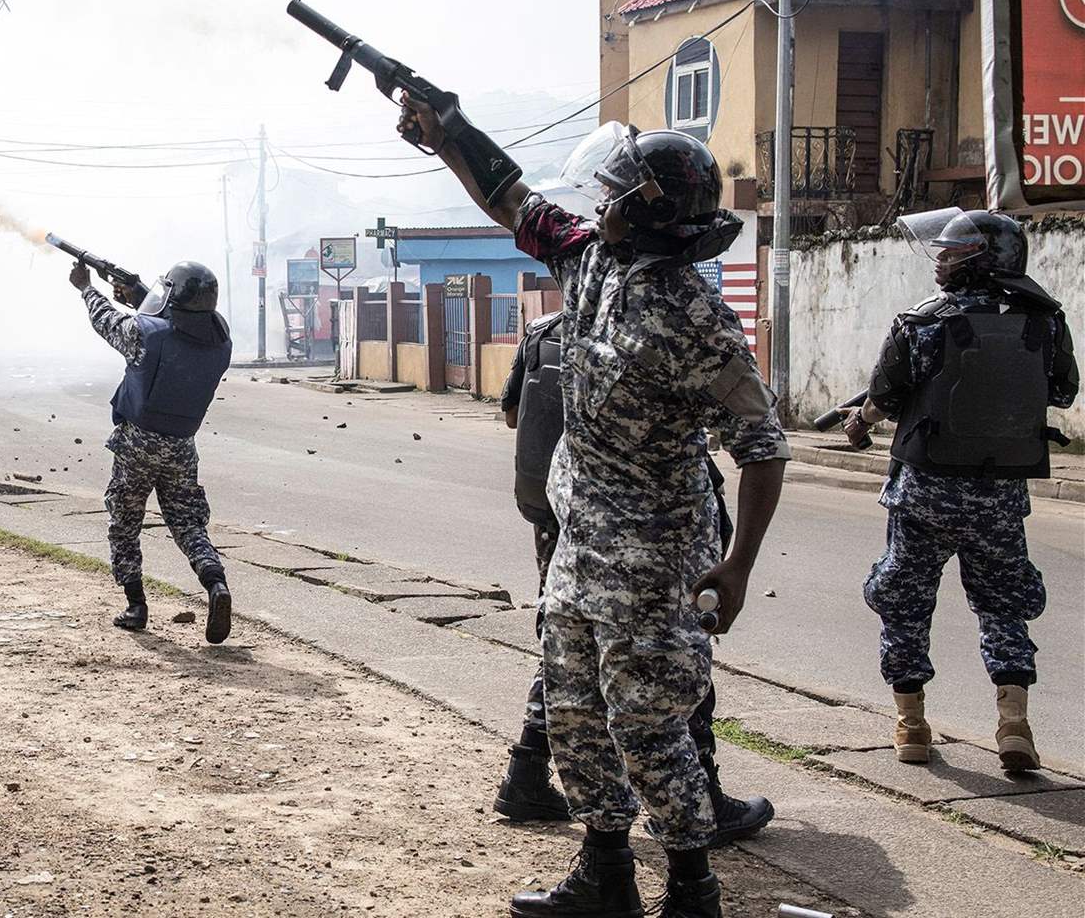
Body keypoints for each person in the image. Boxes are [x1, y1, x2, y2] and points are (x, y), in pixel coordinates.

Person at [399, 98, 787, 918]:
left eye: (613, 193)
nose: (597, 203)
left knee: (649, 730)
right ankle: (605, 874)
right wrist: (448, 135)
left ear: (643, 208)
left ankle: (691, 891)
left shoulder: (699, 321)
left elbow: (761, 446)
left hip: (656, 560)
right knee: (575, 715)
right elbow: (510, 196)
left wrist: (740, 564)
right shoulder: (591, 263)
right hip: (581, 545)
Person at [495, 311, 774, 847]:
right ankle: (701, 799)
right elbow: (754, 429)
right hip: (642, 527)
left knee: (570, 647)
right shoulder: (682, 323)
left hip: (561, 513)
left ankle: (527, 772)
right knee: (662, 659)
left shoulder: (546, 330)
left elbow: (513, 413)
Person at [843, 209, 1076, 771]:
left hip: (923, 494)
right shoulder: (1044, 321)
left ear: (979, 258)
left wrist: (860, 422)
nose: (941, 260)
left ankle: (911, 725)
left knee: (904, 604)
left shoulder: (922, 322)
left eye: (951, 252)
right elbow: (1063, 392)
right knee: (1003, 607)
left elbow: (887, 396)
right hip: (998, 497)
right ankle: (1014, 726)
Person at [72, 258, 236, 644]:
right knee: (187, 523)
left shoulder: (147, 334)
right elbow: (177, 326)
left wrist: (86, 288)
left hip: (138, 444)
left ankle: (136, 605)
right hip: (181, 445)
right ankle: (215, 583)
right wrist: (139, 294)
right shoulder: (219, 339)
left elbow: (109, 324)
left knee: (125, 521)